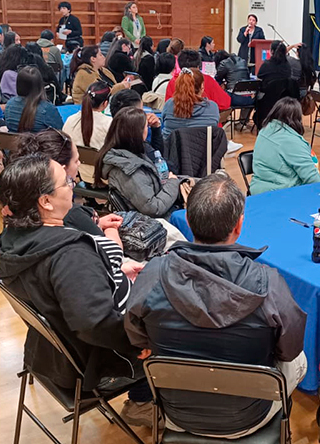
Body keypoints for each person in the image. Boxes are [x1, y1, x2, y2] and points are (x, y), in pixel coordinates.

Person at [125, 173, 307, 438]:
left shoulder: (153, 274)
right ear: (239, 226)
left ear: (187, 220)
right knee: (299, 361)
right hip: (250, 415)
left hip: (177, 413)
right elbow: (289, 350)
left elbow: (137, 337)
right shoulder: (269, 283)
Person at [0, 155, 151, 414]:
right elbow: (94, 323)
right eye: (65, 182)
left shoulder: (12, 238)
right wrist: (136, 343)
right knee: (181, 323)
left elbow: (56, 286)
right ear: (45, 201)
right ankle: (143, 404)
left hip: (49, 354)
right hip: (100, 360)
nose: (74, 182)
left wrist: (107, 270)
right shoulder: (69, 254)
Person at [95, 107, 183, 218]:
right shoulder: (129, 170)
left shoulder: (127, 153)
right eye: (146, 127)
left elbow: (156, 153)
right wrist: (172, 183)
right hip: (159, 220)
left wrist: (156, 129)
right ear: (137, 133)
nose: (148, 129)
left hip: (159, 205)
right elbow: (154, 208)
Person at [250, 98, 320, 194]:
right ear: (297, 118)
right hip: (282, 194)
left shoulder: (265, 130)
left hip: (258, 188)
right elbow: (313, 179)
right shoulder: (292, 141)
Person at [63, 80, 112, 181]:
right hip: (103, 178)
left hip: (76, 174)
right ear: (105, 103)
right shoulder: (109, 123)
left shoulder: (70, 120)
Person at [161, 67, 220, 142]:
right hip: (203, 152)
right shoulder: (212, 107)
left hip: (171, 151)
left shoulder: (169, 105)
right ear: (202, 86)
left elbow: (163, 124)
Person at [5, 66, 64, 132]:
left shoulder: (9, 105)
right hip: (39, 142)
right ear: (40, 84)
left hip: (14, 142)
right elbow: (60, 132)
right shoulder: (47, 109)